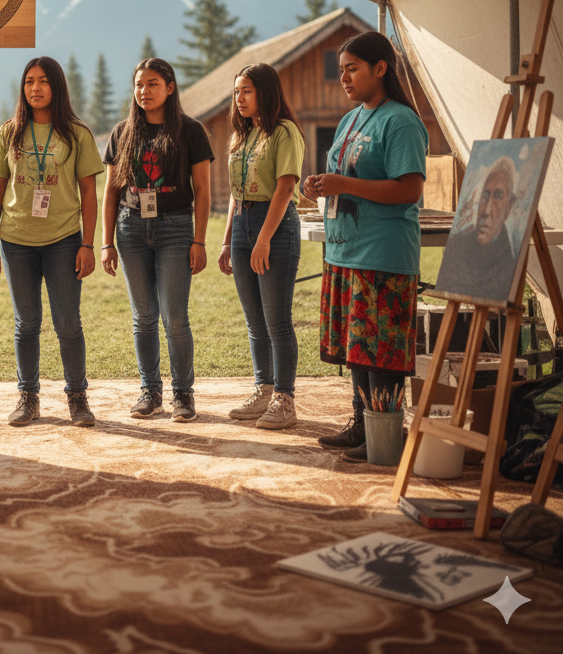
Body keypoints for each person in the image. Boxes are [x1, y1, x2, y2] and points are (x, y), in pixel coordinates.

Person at [301, 32, 427, 462]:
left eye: (352, 68)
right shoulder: (351, 119)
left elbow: (409, 189)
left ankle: (386, 433)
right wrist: (318, 185)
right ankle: (361, 425)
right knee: (357, 347)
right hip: (344, 252)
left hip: (383, 253)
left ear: (380, 68)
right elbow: (344, 177)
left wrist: (343, 183)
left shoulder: (401, 121)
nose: (344, 78)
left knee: (382, 351)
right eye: (341, 71)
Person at [0, 57, 103, 426]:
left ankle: (77, 398)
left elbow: (89, 191)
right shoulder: (8, 133)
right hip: (16, 240)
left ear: (57, 87)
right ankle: (27, 397)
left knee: (67, 322)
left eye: (44, 82)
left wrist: (87, 244)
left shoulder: (77, 134)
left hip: (64, 240)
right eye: (29, 81)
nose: (35, 88)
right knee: (27, 323)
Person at [102, 58, 213, 422]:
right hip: (131, 229)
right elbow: (110, 193)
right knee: (143, 317)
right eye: (138, 84)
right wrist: (106, 242)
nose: (144, 91)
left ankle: (183, 394)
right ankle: (150, 392)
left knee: (175, 317)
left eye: (152, 84)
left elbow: (203, 190)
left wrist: (199, 241)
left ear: (170, 87)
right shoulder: (122, 133)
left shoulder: (191, 131)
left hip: (175, 228)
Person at [218, 63, 305, 430]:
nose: (239, 98)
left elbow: (285, 188)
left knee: (277, 320)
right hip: (242, 224)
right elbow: (236, 196)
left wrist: (264, 239)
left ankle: (285, 399)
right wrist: (227, 241)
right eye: (237, 91)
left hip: (276, 224)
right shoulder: (241, 135)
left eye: (247, 91)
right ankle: (263, 391)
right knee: (255, 321)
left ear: (265, 93)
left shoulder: (284, 132)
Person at [437, 156, 518, 302]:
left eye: (498, 196)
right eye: (485, 195)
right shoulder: (458, 243)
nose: (486, 210)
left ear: (509, 206)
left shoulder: (508, 261)